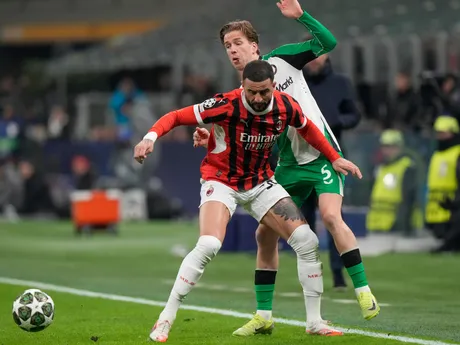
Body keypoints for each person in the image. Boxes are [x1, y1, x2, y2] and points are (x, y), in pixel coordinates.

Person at [134, 60, 362, 342]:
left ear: (273, 87)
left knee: (308, 241)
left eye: (263, 92)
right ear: (242, 86)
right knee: (208, 244)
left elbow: (308, 129)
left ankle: (314, 321)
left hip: (260, 182)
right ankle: (166, 318)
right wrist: (150, 138)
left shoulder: (285, 105)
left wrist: (334, 156)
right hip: (221, 181)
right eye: (251, 91)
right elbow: (176, 116)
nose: (257, 98)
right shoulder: (225, 104)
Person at [193, 0, 379, 336]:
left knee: (331, 217)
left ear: (254, 46)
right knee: (263, 234)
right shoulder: (243, 94)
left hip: (323, 155)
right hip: (289, 165)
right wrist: (210, 134)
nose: (233, 51)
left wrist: (301, 16)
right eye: (227, 46)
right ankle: (264, 315)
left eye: (238, 43)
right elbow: (237, 137)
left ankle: (363, 291)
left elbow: (327, 44)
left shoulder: (282, 60)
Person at [302, 52, 362, 289]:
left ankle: (339, 274)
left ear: (327, 56)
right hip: (300, 159)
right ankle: (309, 274)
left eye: (320, 54)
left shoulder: (340, 83)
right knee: (302, 221)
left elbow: (354, 115)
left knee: (334, 217)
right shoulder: (296, 82)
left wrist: (338, 121)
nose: (316, 59)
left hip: (331, 158)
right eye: (311, 55)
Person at [366, 130, 420, 236]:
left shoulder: (407, 166)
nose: (387, 150)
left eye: (391, 147)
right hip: (376, 224)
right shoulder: (379, 167)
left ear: (399, 147)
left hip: (397, 225)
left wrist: (405, 224)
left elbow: (409, 197)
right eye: (384, 146)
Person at [425, 116, 460, 252]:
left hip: (454, 209)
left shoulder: (457, 153)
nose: (440, 137)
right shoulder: (437, 155)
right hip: (437, 210)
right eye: (438, 133)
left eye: (444, 133)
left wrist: (455, 203)